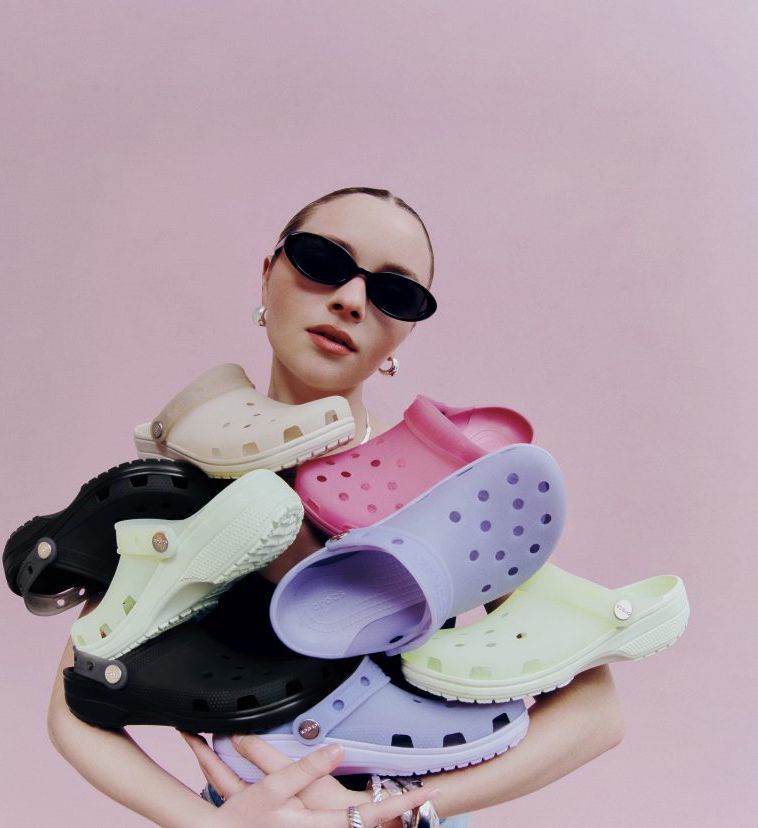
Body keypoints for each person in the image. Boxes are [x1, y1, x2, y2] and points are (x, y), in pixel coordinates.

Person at [48, 187, 624, 827]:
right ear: (267, 276)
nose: (351, 300)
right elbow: (76, 701)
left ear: (405, 331)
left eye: (395, 294)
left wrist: (395, 809)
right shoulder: (182, 482)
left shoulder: (451, 480)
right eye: (322, 261)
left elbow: (596, 712)